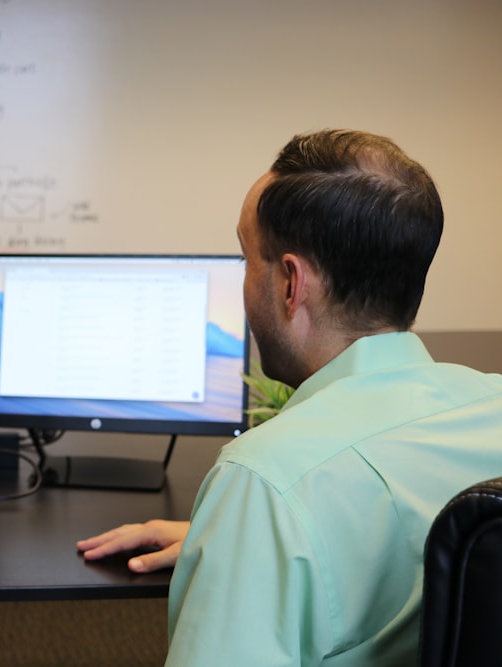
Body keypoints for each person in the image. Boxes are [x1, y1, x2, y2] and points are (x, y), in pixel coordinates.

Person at [78, 129, 502, 666]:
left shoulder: (266, 479)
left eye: (246, 259)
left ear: (289, 284)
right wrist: (244, 545)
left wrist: (259, 524)